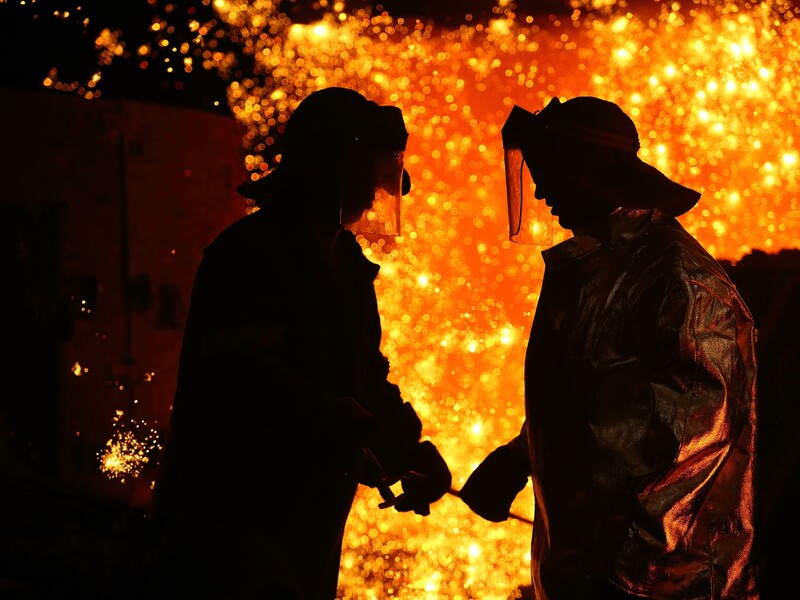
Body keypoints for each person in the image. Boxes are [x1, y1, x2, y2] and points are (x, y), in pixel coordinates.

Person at [149, 87, 451, 599]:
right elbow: (246, 384)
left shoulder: (346, 265)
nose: (375, 190)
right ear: (330, 167)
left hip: (305, 525)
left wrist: (407, 447)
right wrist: (349, 426)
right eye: (367, 172)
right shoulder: (251, 257)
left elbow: (363, 375)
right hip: (231, 527)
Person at [459, 96, 758, 599]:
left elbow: (695, 444)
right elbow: (595, 398)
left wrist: (626, 568)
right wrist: (519, 457)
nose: (540, 190)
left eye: (549, 173)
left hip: (663, 584)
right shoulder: (606, 269)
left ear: (586, 170)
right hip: (594, 570)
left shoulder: (677, 280)